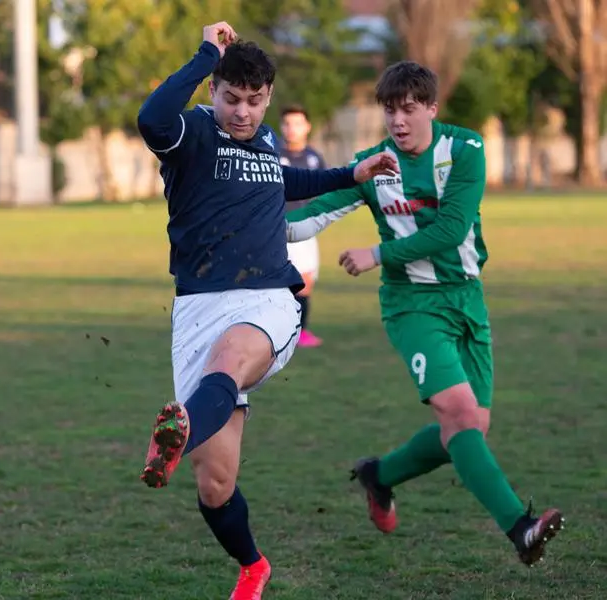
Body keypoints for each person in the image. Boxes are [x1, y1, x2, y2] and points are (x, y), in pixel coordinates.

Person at [135, 22, 398, 599]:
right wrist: (208, 54)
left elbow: (282, 182)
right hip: (198, 308)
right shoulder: (194, 133)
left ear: (269, 98)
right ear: (213, 91)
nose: (243, 113)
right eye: (232, 98)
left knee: (230, 361)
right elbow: (151, 118)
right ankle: (253, 565)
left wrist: (349, 176)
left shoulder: (265, 140)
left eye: (255, 102)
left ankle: (175, 433)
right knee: (215, 483)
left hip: (269, 299)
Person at [285, 60, 563, 567]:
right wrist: (245, 221)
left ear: (432, 108)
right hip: (412, 306)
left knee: (470, 427)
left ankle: (380, 475)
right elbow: (307, 219)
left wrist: (377, 253)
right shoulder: (372, 164)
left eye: (409, 109)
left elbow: (453, 230)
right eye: (390, 111)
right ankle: (521, 530)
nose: (398, 121)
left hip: (467, 300)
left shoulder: (465, 150)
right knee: (458, 415)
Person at [279, 104, 326, 347]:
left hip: (307, 229)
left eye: (297, 123)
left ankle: (300, 332)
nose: (292, 129)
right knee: (280, 284)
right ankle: (283, 331)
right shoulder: (273, 154)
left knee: (306, 283)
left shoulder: (314, 158)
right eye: (287, 123)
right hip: (278, 230)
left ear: (307, 127)